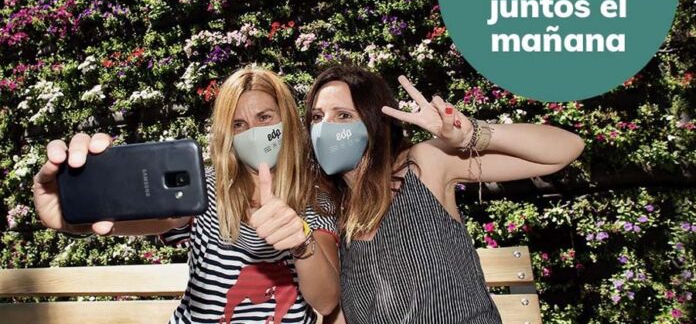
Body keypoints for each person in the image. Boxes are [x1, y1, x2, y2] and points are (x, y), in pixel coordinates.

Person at [33, 66, 341, 324]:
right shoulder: (203, 188)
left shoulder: (314, 199)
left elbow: (326, 301)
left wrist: (301, 240)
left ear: (286, 120)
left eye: (264, 117)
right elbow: (157, 219)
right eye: (239, 124)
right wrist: (77, 215)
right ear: (227, 134)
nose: (253, 132)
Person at [304, 65, 586, 324]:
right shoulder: (336, 215)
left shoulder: (424, 165)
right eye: (317, 117)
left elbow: (565, 149)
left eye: (343, 115)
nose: (325, 127)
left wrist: (471, 135)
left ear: (374, 121)